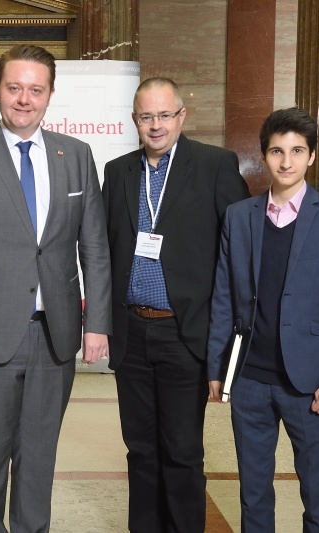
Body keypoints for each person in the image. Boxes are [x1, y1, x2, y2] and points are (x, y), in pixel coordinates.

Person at [0, 44, 112, 532]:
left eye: (36, 89)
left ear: (51, 94)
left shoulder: (75, 155)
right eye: (15, 88)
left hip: (55, 337)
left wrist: (97, 324)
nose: (24, 99)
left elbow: (94, 247)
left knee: (38, 463)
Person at [102, 77, 250, 532]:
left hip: (185, 333)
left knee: (183, 450)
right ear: (135, 120)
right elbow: (105, 248)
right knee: (141, 449)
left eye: (164, 115)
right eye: (146, 116)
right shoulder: (118, 170)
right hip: (132, 332)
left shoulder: (215, 164)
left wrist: (231, 337)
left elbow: (239, 248)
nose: (156, 125)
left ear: (182, 116)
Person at [207, 108, 319, 532]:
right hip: (251, 380)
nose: (287, 161)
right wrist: (217, 368)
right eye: (277, 151)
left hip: (310, 381)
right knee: (253, 493)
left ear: (311, 156)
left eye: (297, 151)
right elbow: (224, 297)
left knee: (317, 492)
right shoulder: (240, 217)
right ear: (264, 155)